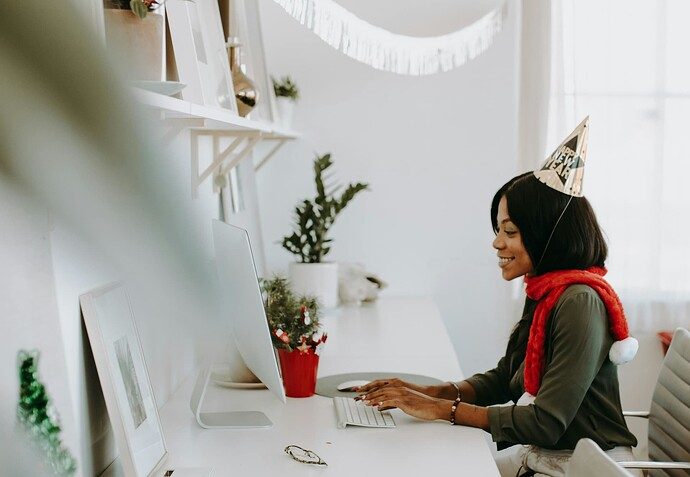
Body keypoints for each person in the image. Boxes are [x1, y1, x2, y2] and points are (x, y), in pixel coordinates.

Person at [357, 118, 640, 477]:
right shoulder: (546, 290)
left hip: (588, 468)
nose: (497, 243)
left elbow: (545, 422)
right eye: (498, 230)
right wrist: (429, 392)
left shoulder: (579, 302)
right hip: (547, 457)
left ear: (545, 234)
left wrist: (441, 409)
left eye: (510, 231)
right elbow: (508, 377)